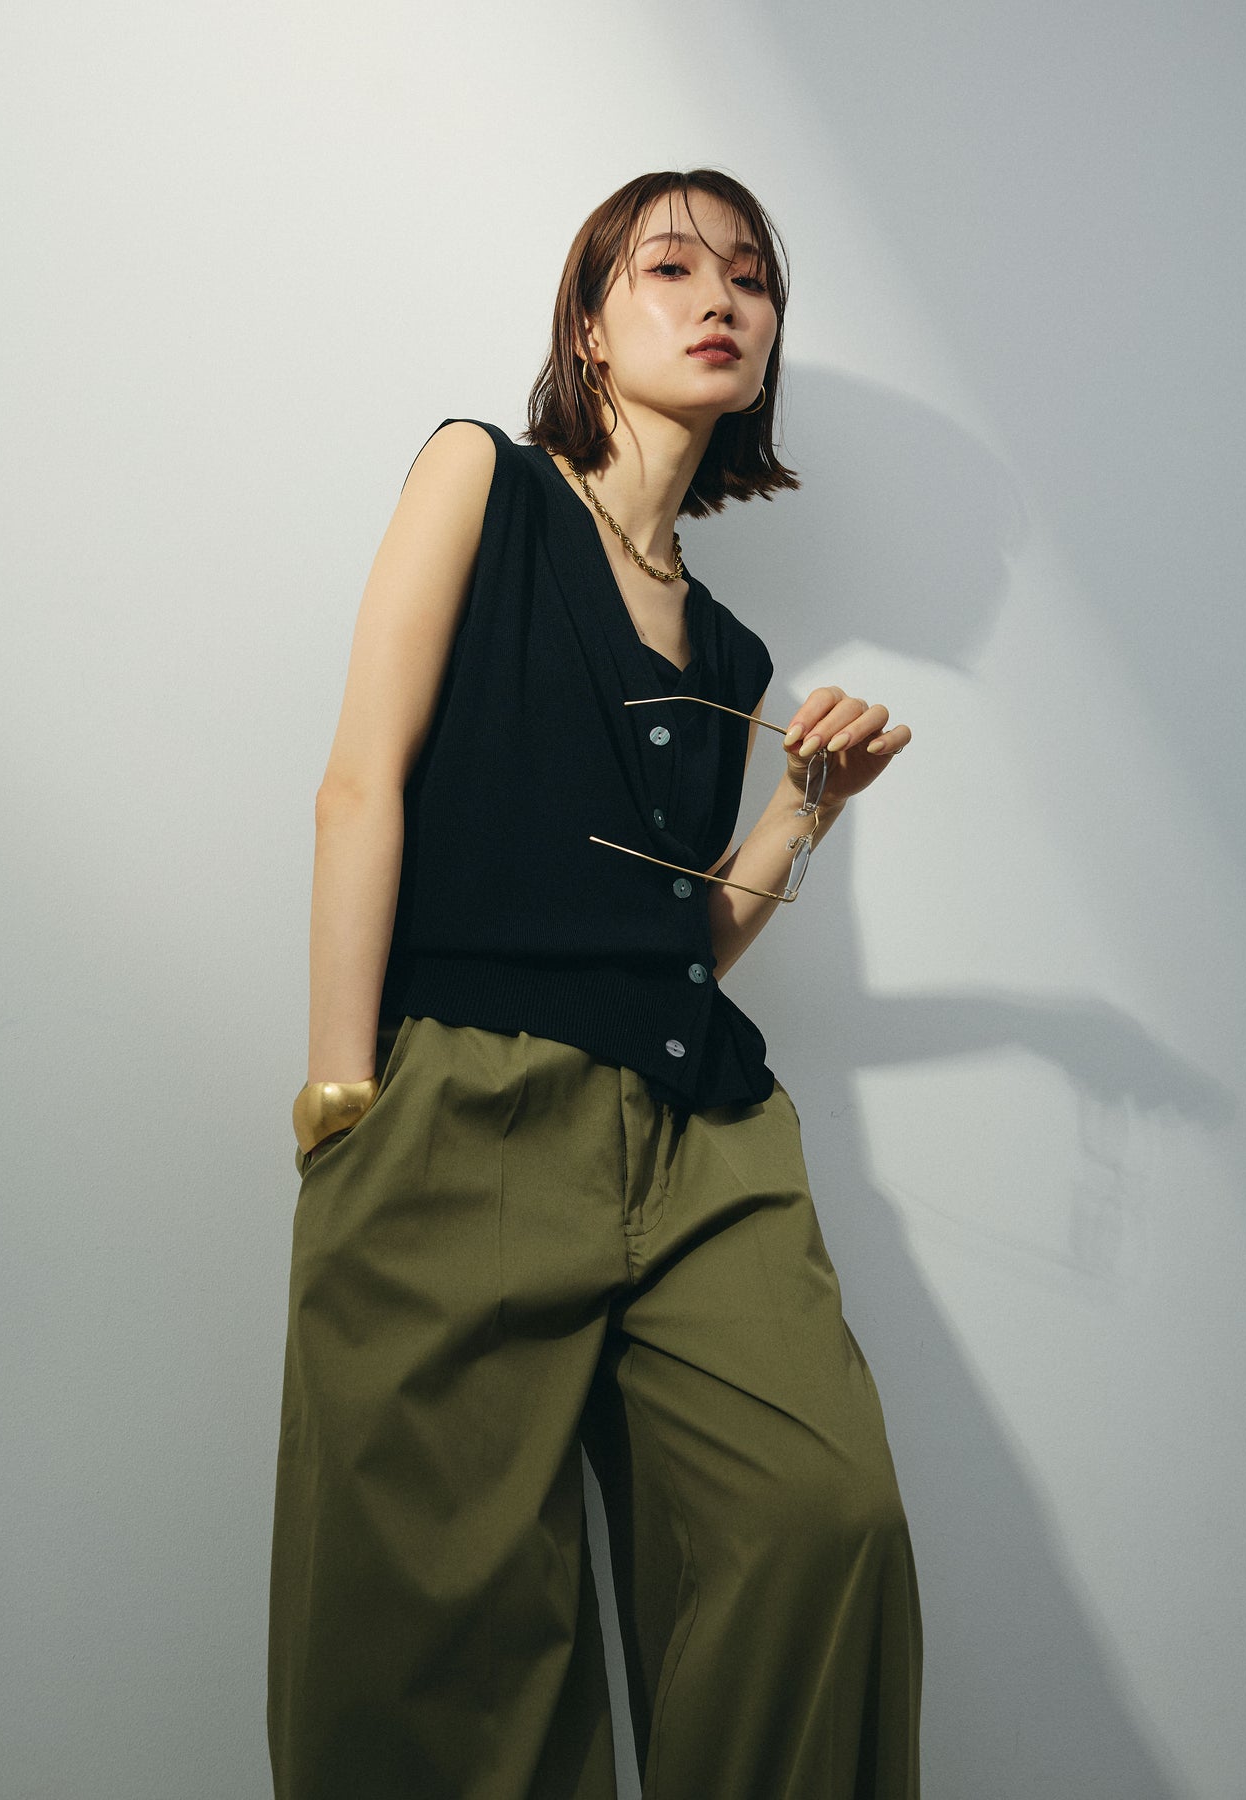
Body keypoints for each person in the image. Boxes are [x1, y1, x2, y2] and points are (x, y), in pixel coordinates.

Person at [268, 168, 922, 1800]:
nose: (721, 301)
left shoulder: (731, 655)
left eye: (751, 281)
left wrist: (802, 809)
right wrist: (342, 1096)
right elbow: (361, 784)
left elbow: (681, 937)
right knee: (447, 1614)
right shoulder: (478, 479)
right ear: (587, 322)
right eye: (672, 267)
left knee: (818, 1519)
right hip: (465, 1099)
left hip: (703, 1132)